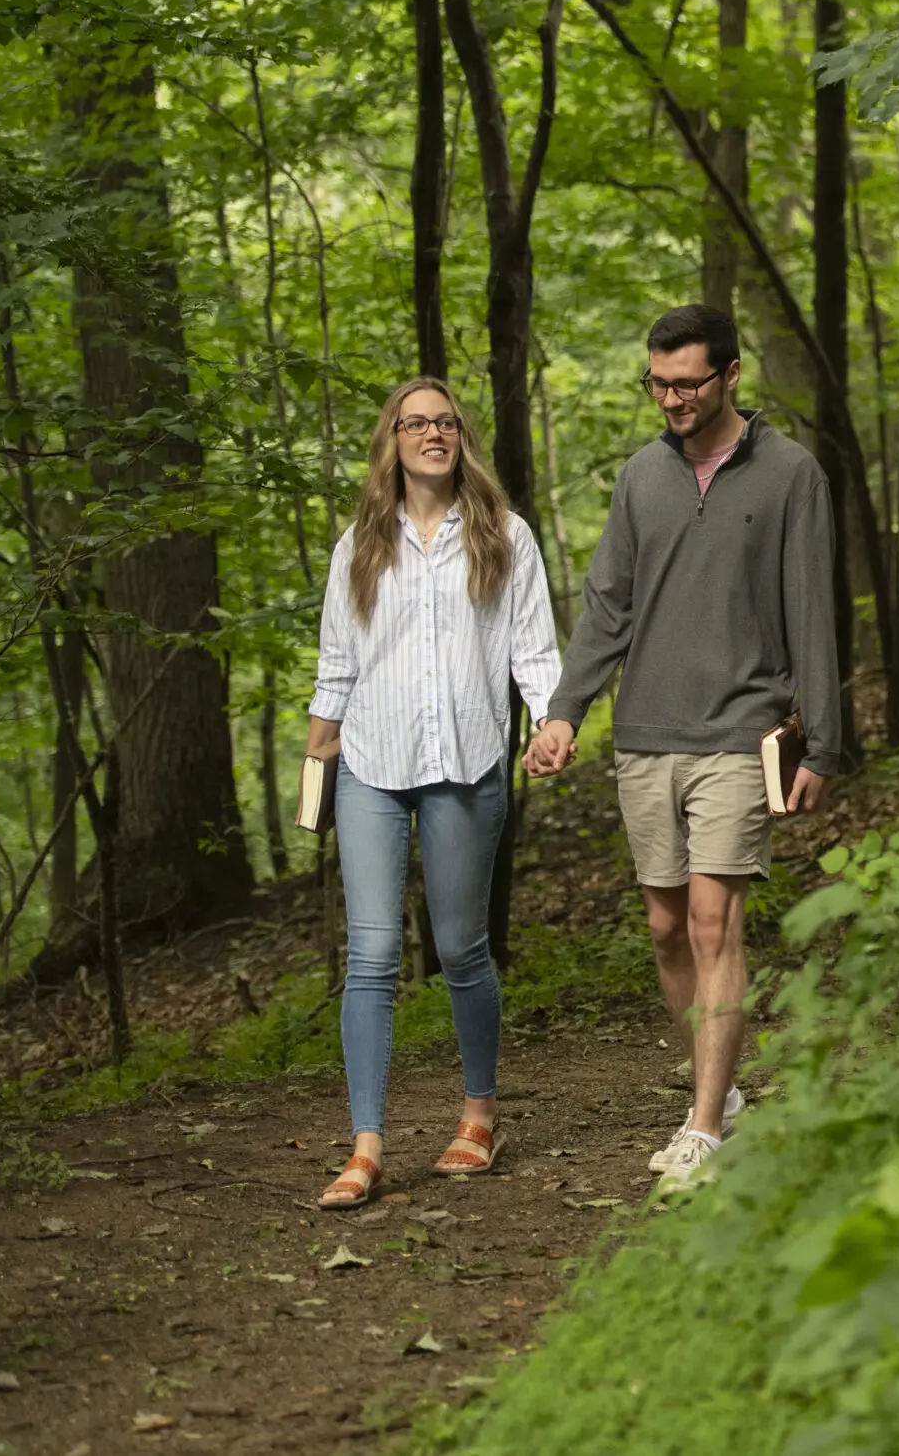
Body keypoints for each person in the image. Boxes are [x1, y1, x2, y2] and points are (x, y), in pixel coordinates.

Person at [524, 304, 844, 1190]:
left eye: (687, 382)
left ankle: (703, 1125)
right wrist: (564, 710)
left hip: (742, 732)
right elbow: (608, 607)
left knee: (714, 920)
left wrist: (822, 741)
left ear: (731, 375)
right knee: (666, 928)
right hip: (646, 734)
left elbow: (815, 612)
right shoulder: (640, 479)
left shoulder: (790, 476)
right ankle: (725, 1088)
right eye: (657, 383)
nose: (670, 398)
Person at [308, 380, 560, 1210]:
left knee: (461, 949)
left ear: (462, 437)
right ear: (393, 440)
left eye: (444, 422)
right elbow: (338, 659)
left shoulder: (504, 535)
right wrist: (320, 744)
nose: (431, 434)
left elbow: (533, 646)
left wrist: (552, 721)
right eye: (414, 423)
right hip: (371, 765)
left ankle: (479, 1113)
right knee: (371, 955)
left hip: (466, 764)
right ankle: (367, 1143)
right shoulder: (360, 543)